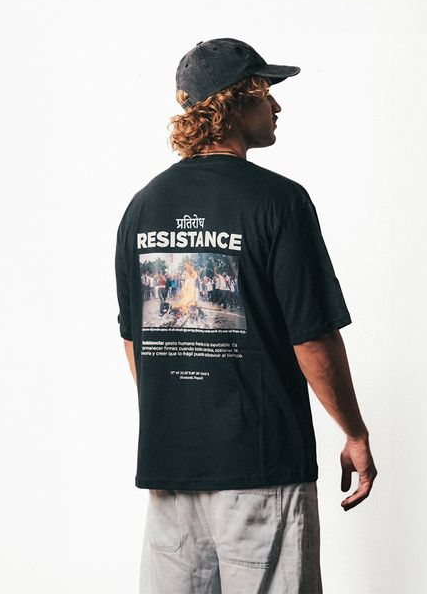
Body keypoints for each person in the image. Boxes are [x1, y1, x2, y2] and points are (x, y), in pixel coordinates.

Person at [114, 37, 378, 593]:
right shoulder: (279, 202)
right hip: (262, 469)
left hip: (172, 468)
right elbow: (312, 337)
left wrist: (182, 414)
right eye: (265, 93)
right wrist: (354, 431)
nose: (277, 105)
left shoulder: (142, 206)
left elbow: (136, 340)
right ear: (234, 103)